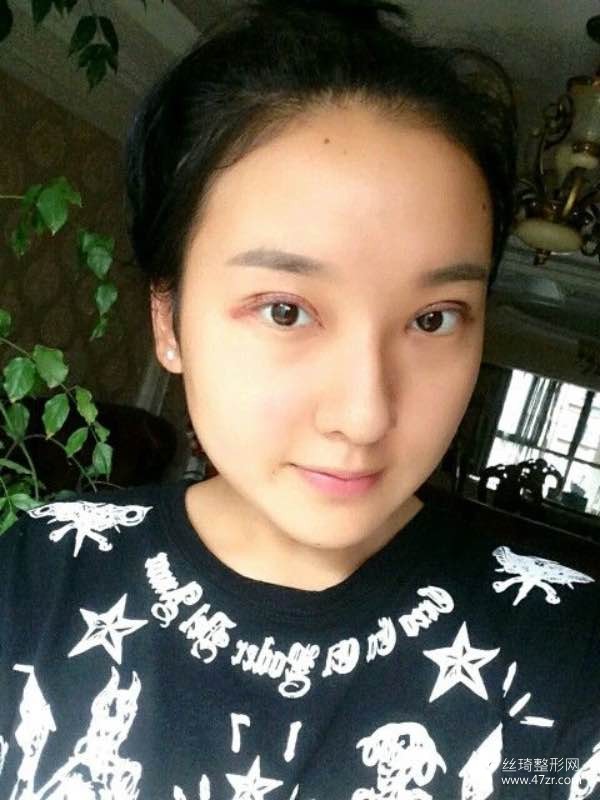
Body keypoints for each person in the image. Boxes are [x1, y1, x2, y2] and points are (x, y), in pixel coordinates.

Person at [1, 2, 598, 798]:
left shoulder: (564, 657)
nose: (364, 416)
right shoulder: (38, 575)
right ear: (168, 321)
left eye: (434, 318)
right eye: (285, 310)